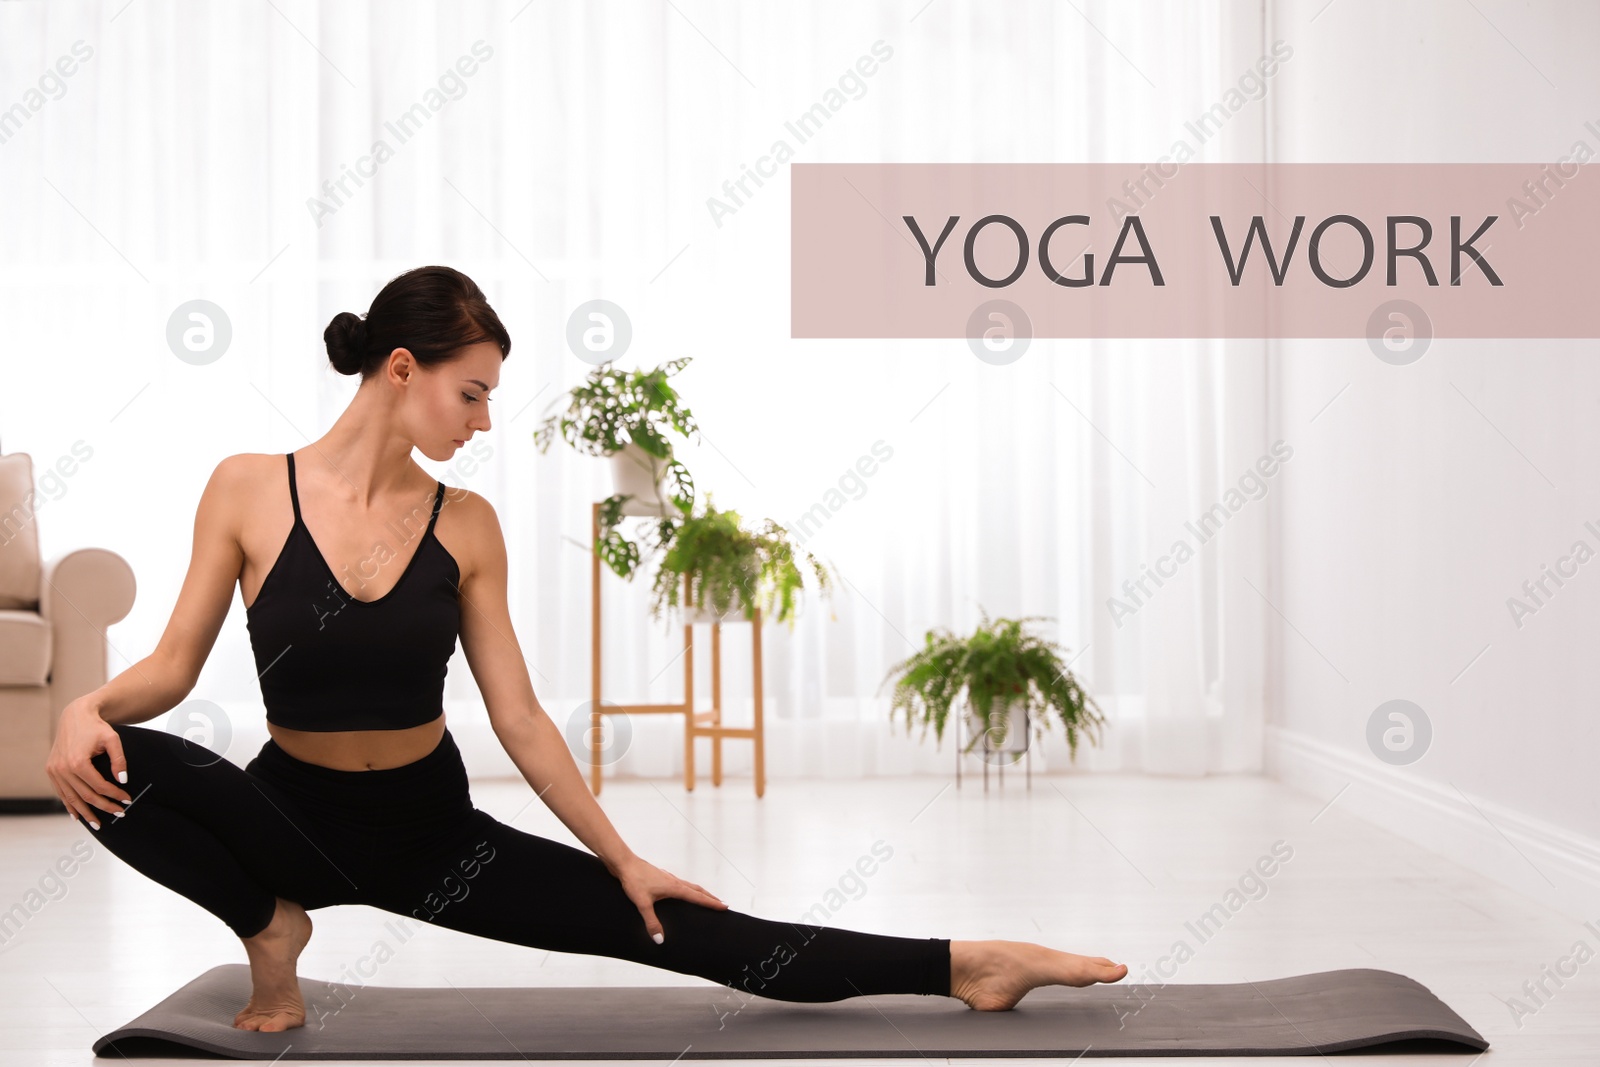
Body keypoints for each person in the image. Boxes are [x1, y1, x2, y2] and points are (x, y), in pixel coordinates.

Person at [45, 265, 1127, 1033]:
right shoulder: (247, 485)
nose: (481, 420)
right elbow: (174, 667)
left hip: (432, 833)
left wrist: (623, 858)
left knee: (707, 935)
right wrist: (83, 704)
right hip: (290, 818)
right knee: (103, 755)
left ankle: (967, 962)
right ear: (401, 369)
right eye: (471, 392)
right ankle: (267, 922)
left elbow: (516, 713)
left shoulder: (465, 523)